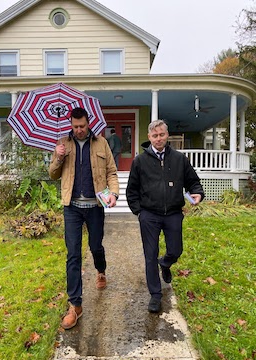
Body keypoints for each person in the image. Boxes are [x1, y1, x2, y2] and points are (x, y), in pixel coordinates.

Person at [49, 107, 119, 329]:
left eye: (82, 126)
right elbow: (52, 174)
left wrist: (114, 194)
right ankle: (75, 305)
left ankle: (101, 271)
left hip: (95, 205)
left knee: (96, 246)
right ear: (71, 124)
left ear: (88, 124)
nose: (78, 130)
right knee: (73, 254)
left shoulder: (101, 143)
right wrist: (58, 158)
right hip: (72, 207)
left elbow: (111, 172)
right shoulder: (62, 144)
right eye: (75, 126)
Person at [126, 119, 204, 313]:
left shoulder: (179, 159)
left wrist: (197, 192)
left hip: (173, 214)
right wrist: (139, 211)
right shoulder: (140, 161)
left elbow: (193, 181)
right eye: (155, 135)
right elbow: (132, 190)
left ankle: (166, 262)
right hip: (149, 215)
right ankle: (155, 295)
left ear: (167, 135)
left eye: (161, 134)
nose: (158, 138)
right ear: (149, 137)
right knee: (150, 255)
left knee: (176, 250)